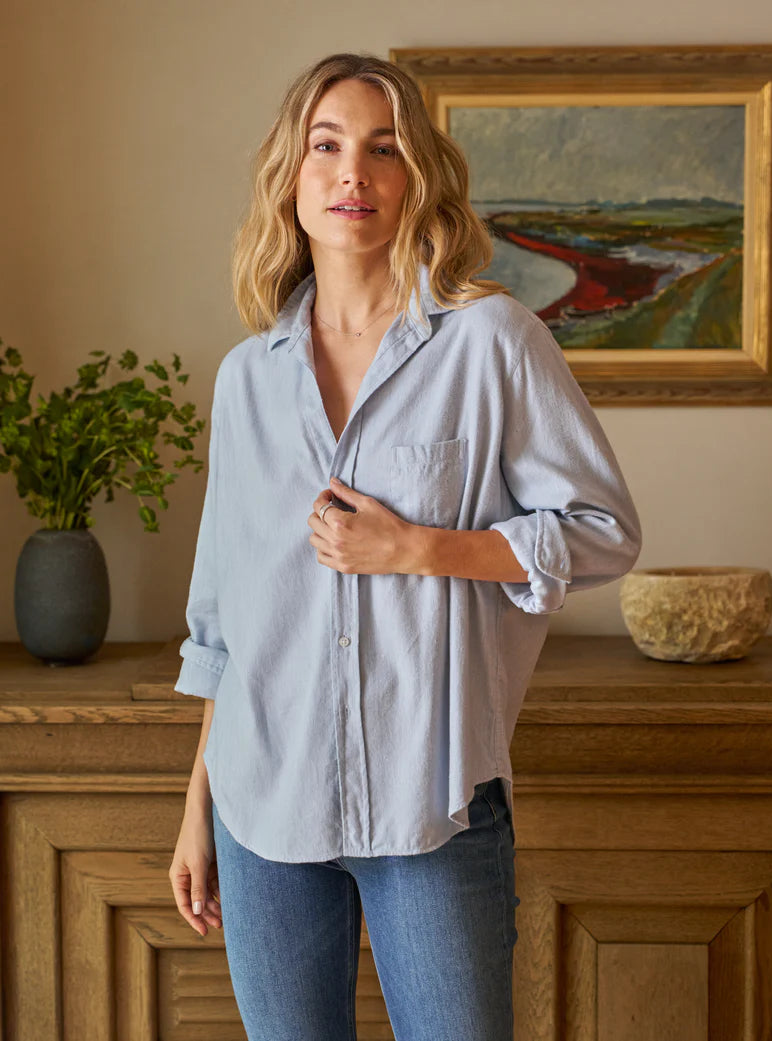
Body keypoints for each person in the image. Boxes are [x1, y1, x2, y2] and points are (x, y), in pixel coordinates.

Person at [168, 51, 642, 1041]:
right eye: (325, 146)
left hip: (430, 807)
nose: (352, 173)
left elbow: (602, 535)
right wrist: (196, 811)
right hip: (262, 805)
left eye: (381, 149)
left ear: (414, 175)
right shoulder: (246, 379)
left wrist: (419, 547)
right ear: (289, 177)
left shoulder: (492, 341)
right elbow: (226, 622)